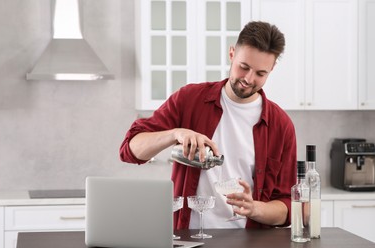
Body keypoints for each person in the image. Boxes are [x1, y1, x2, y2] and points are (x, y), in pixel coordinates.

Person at [119, 21, 297, 229]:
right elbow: (130, 149)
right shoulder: (190, 99)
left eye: (260, 73)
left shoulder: (281, 125)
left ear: (272, 69)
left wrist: (255, 208)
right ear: (232, 53)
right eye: (244, 67)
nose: (248, 79)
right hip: (189, 239)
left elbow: (287, 207)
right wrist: (176, 133)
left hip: (249, 245)